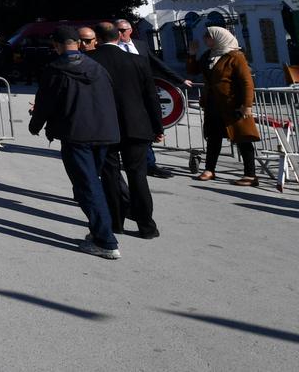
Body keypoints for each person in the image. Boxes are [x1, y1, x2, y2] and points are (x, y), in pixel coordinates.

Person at [28, 26, 122, 260]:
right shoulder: (97, 67)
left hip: (77, 136)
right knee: (94, 183)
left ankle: (106, 241)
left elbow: (45, 103)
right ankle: (99, 230)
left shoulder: (55, 69)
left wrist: (36, 125)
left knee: (87, 186)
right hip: (105, 134)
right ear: (78, 43)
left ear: (57, 46)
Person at [87, 22, 163, 239]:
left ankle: (116, 222)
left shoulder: (91, 61)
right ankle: (146, 226)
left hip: (104, 127)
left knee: (110, 175)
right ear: (118, 38)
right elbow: (151, 97)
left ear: (97, 39)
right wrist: (157, 127)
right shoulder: (137, 61)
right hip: (136, 125)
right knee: (138, 176)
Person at [115, 18, 191, 179]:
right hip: (123, 95)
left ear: (129, 31)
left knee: (146, 128)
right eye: (117, 30)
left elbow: (157, 63)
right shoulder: (113, 49)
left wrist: (180, 80)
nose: (120, 33)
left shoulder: (140, 45)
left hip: (144, 93)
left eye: (122, 30)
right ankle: (132, 160)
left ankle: (150, 163)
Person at [186, 27, 261, 186]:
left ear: (219, 38)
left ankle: (250, 175)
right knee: (213, 138)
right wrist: (192, 54)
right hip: (213, 104)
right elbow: (193, 70)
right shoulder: (209, 55)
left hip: (233, 105)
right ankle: (209, 170)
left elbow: (247, 82)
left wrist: (247, 105)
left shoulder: (235, 56)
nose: (205, 39)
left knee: (243, 138)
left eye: (208, 36)